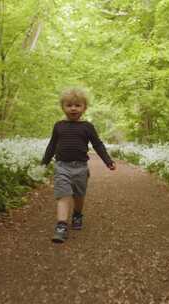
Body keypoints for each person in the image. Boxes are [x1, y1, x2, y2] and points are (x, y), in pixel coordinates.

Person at [41, 88, 116, 243]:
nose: (73, 108)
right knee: (63, 194)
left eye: (77, 105)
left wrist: (108, 161)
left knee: (79, 196)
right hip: (62, 166)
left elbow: (97, 145)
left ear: (84, 108)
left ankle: (77, 214)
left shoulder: (87, 127)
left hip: (81, 167)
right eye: (69, 105)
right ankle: (61, 225)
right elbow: (52, 145)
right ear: (63, 107)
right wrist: (44, 163)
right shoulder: (59, 126)